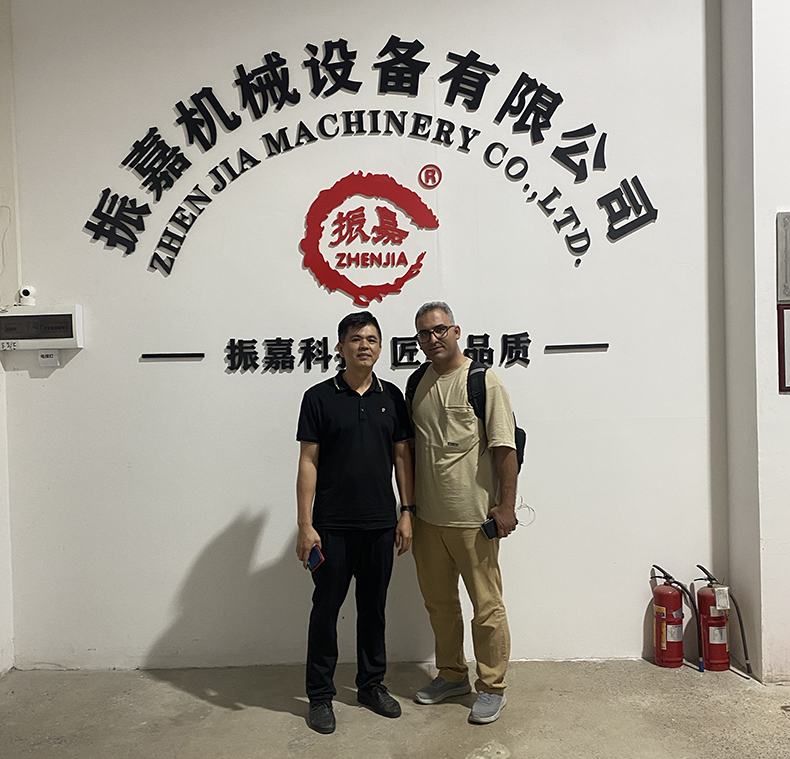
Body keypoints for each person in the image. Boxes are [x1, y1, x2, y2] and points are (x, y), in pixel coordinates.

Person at [295, 311, 415, 734]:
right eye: (356, 338)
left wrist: (406, 511)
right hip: (331, 527)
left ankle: (371, 685)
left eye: (372, 339)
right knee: (326, 611)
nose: (365, 345)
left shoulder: (392, 397)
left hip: (380, 524)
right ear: (340, 346)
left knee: (373, 610)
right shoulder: (318, 397)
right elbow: (308, 462)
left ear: (380, 347)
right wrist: (305, 524)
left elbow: (402, 456)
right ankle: (320, 696)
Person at [407, 301, 518, 725]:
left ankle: (492, 687)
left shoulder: (483, 381)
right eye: (424, 333)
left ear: (456, 331)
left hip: (474, 520)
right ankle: (452, 674)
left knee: (486, 607)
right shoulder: (417, 382)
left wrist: (506, 506)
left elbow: (505, 448)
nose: (432, 339)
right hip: (428, 519)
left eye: (440, 330)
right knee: (439, 604)